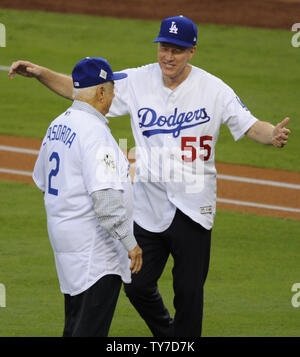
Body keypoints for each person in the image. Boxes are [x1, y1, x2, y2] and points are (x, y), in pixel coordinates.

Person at [9, 15, 291, 337]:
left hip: (193, 207)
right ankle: (168, 336)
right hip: (146, 206)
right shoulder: (137, 80)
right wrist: (41, 73)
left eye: (178, 50)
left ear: (192, 52)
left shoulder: (214, 89)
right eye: (164, 48)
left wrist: (271, 135)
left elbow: (249, 123)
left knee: (189, 295)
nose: (168, 57)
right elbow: (84, 90)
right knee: (136, 284)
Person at [31, 56, 142, 337]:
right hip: (96, 251)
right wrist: (130, 243)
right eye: (112, 88)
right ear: (101, 92)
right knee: (89, 329)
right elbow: (105, 202)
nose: (115, 94)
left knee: (75, 322)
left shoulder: (58, 124)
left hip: (66, 243)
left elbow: (41, 180)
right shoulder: (95, 133)